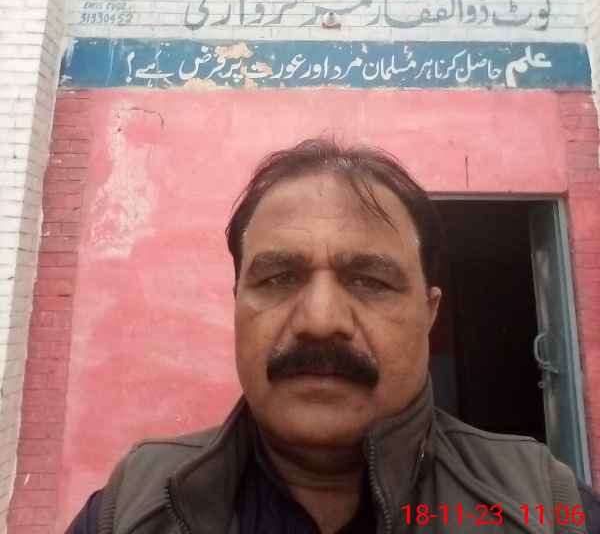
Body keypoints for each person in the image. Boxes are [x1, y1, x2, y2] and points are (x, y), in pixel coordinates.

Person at [67, 138, 599, 534]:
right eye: (278, 278)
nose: (320, 321)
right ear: (237, 304)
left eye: (370, 281)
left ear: (428, 313)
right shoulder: (132, 507)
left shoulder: (545, 507)